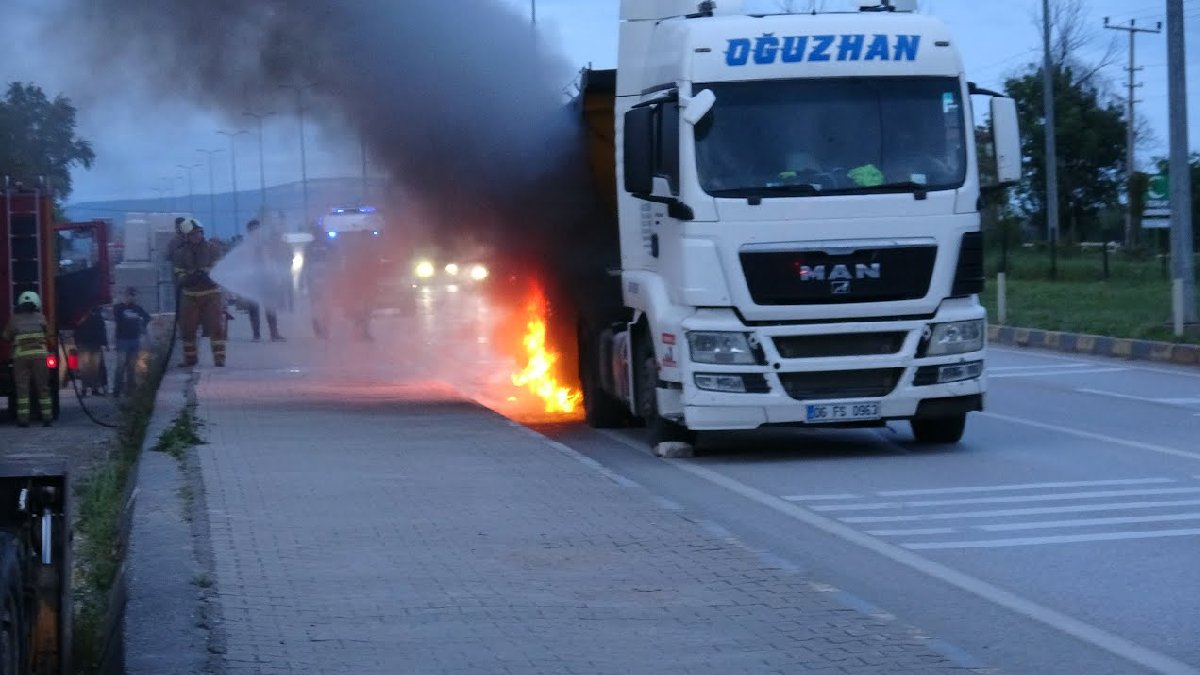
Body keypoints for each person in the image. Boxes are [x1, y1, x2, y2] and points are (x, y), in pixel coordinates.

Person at [170, 218, 226, 367]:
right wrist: (187, 278)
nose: (197, 236)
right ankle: (190, 359)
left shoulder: (212, 249)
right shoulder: (180, 253)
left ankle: (219, 358)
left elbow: (220, 267)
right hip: (190, 296)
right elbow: (178, 272)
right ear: (186, 236)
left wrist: (208, 273)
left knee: (216, 327)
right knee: (187, 330)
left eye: (199, 233)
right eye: (193, 234)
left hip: (211, 294)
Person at [2, 291, 53, 427]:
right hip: (40, 357)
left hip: (21, 358)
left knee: (22, 389)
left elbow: (5, 337)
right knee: (43, 387)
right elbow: (48, 334)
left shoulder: (14, 319)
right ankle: (47, 417)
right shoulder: (41, 318)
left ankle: (23, 420)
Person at [244, 219, 286, 342]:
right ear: (249, 231)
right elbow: (243, 264)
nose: (256, 232)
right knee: (253, 308)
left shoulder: (266, 244)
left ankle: (274, 333)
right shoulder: (246, 246)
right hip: (252, 281)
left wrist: (276, 277)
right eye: (253, 229)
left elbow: (273, 261)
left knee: (270, 306)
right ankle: (256, 334)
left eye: (257, 229)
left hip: (267, 279)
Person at [111, 287, 152, 397]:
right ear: (125, 295)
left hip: (134, 340)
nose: (132, 298)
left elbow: (147, 317)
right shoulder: (119, 307)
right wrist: (125, 304)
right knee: (120, 366)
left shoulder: (137, 308)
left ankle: (130, 390)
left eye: (133, 296)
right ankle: (116, 390)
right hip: (122, 340)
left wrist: (142, 327)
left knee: (131, 366)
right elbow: (116, 316)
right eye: (130, 295)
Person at [74, 304, 109, 396]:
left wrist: (105, 343)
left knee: (94, 368)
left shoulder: (97, 313)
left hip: (95, 343)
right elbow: (76, 325)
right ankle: (85, 389)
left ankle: (94, 389)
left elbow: (102, 328)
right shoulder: (80, 312)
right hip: (84, 343)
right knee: (85, 368)